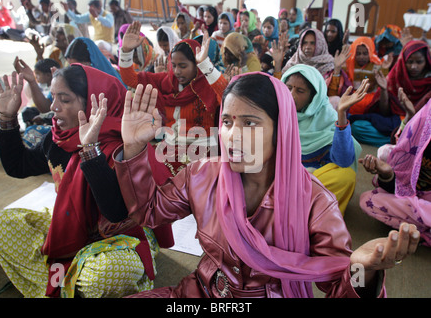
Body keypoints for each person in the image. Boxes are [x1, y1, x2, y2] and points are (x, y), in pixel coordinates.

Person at [105, 71, 419, 298]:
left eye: (250, 123)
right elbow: (149, 212)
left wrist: (362, 270)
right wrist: (133, 149)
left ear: (280, 130)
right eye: (227, 121)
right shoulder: (201, 174)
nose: (232, 135)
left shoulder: (314, 201)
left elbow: (338, 287)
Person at [0, 64, 169, 298]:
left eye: (64, 99)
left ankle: (58, 281)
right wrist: (7, 117)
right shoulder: (57, 139)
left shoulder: (124, 146)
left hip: (121, 241)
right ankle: (63, 288)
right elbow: (18, 166)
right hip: (71, 231)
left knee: (105, 274)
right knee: (0, 224)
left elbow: (115, 213)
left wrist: (90, 150)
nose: (53, 108)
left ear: (93, 104)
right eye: (53, 97)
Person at [119, 21, 227, 182]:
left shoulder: (207, 86)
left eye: (183, 66)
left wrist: (205, 64)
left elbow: (226, 93)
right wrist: (126, 51)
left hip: (200, 156)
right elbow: (130, 79)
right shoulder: (166, 81)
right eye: (174, 65)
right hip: (168, 151)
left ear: (196, 65)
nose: (177, 71)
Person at [282, 64, 365, 215]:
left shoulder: (327, 118)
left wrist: (341, 113)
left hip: (315, 179)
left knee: (345, 177)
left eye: (300, 91)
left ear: (313, 96)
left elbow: (343, 160)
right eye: (288, 88)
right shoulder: (278, 113)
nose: (291, 95)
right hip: (285, 179)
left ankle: (307, 217)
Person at [359, 98, 431, 247]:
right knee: (368, 200)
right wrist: (387, 174)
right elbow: (400, 182)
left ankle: (420, 228)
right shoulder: (424, 122)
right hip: (419, 197)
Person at [342, 37, 395, 147]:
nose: (361, 56)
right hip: (354, 94)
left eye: (365, 53)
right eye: (358, 53)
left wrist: (385, 69)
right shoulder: (350, 64)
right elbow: (343, 73)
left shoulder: (375, 65)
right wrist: (344, 44)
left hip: (368, 96)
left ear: (371, 52)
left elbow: (383, 81)